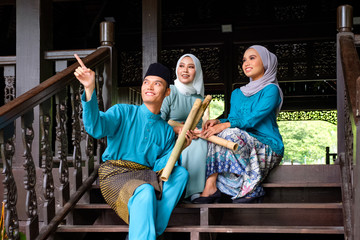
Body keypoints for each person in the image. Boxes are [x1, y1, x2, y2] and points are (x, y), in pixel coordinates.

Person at [74, 57, 192, 240]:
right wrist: (89, 88)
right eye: (146, 82)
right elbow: (95, 128)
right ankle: (146, 232)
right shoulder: (122, 112)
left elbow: (162, 169)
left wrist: (180, 146)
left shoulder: (167, 131)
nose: (149, 87)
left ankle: (151, 226)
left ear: (167, 92)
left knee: (181, 173)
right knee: (145, 191)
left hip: (147, 175)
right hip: (115, 174)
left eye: (157, 84)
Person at [194, 45, 284, 204]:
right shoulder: (237, 93)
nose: (246, 63)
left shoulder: (271, 90)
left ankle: (249, 188)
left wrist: (224, 125)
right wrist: (217, 122)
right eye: (243, 60)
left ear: (266, 62)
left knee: (228, 133)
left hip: (267, 143)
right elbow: (234, 118)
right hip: (243, 139)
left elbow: (252, 119)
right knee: (215, 132)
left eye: (252, 58)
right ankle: (211, 186)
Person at [160, 53, 208, 202]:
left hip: (192, 134)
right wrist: (177, 130)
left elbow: (199, 123)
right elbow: (159, 120)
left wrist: (198, 131)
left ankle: (196, 192)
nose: (185, 70)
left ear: (197, 71)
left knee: (201, 143)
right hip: (170, 133)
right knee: (190, 144)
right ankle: (183, 191)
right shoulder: (170, 91)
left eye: (191, 67)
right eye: (181, 66)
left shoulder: (199, 97)